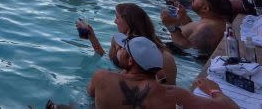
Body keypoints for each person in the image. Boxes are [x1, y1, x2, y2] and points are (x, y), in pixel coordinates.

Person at [85, 35, 236, 108]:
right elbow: (229, 107)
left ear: (130, 61)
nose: (118, 49)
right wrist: (214, 90)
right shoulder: (173, 95)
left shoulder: (102, 77)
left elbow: (90, 95)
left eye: (123, 49)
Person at [76, 3, 178, 86]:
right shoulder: (118, 40)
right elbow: (106, 59)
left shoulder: (162, 56)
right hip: (119, 81)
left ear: (129, 22)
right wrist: (92, 37)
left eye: (117, 17)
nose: (114, 21)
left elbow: (168, 89)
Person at [160, 0, 231, 53]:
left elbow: (189, 49)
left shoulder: (207, 29)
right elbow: (193, 31)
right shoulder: (211, 21)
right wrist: (183, 16)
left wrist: (171, 27)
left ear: (205, 8)